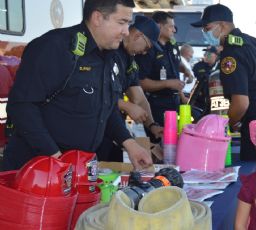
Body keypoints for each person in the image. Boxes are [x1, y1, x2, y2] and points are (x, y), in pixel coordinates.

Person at [1, 0, 152, 171]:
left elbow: (105, 109)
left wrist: (130, 144)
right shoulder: (54, 47)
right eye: (122, 23)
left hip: (75, 169)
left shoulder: (110, 57)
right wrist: (55, 158)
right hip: (35, 170)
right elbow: (22, 106)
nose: (126, 32)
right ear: (97, 18)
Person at [191, 4, 256, 161]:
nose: (204, 33)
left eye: (206, 28)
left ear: (221, 25)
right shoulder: (255, 42)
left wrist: (223, 128)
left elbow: (241, 104)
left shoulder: (232, 52)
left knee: (254, 178)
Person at [97, 15, 163, 162]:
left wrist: (152, 125)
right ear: (138, 35)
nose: (145, 52)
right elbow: (96, 92)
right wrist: (126, 105)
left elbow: (139, 98)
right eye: (146, 47)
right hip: (95, 129)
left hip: (114, 130)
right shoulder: (108, 51)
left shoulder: (130, 60)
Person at [136, 11, 193, 127]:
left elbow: (175, 65)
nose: (174, 30)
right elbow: (140, 82)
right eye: (171, 26)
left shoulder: (172, 44)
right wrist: (167, 84)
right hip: (156, 104)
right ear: (159, 26)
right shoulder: (147, 47)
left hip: (175, 101)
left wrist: (186, 71)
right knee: (162, 140)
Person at [189, 46, 220, 121]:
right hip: (199, 100)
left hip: (215, 98)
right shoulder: (198, 66)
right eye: (205, 53)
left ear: (215, 55)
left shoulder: (219, 67)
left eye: (209, 53)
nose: (206, 55)